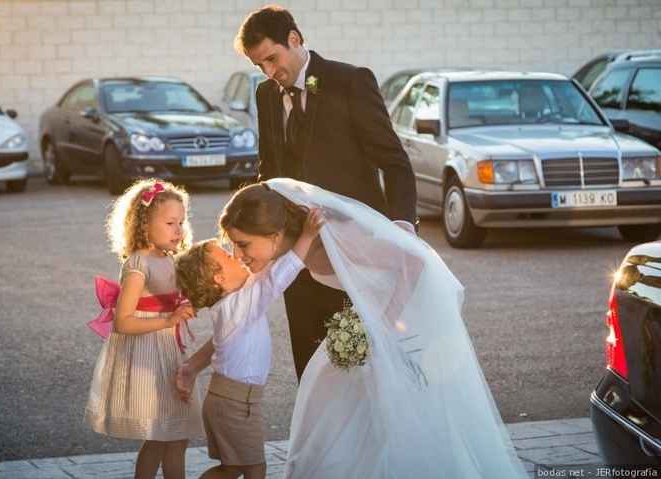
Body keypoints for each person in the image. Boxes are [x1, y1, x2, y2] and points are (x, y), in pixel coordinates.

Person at [189, 180, 528, 478]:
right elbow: (237, 317)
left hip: (404, 316)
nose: (239, 253)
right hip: (367, 324)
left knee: (392, 416)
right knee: (330, 398)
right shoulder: (283, 251)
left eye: (243, 244)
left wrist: (380, 325)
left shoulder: (336, 233)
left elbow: (414, 261)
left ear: (274, 234)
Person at [234, 5, 417, 378]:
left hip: (352, 252)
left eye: (272, 58)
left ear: (295, 40)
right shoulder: (266, 96)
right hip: (297, 255)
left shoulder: (349, 81)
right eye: (260, 66)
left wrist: (401, 224)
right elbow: (270, 171)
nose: (269, 72)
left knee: (359, 362)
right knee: (309, 358)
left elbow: (394, 161)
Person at [174, 209, 323, 479]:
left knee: (232, 469)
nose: (237, 255)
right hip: (234, 404)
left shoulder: (231, 302)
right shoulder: (241, 304)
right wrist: (307, 236)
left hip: (229, 400)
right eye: (229, 256)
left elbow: (265, 269)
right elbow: (279, 276)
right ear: (219, 279)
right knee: (255, 468)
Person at [85, 179, 204, 479]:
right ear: (143, 225)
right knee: (158, 436)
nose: (178, 230)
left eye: (181, 222)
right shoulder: (139, 263)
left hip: (171, 351)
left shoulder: (170, 258)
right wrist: (168, 319)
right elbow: (123, 321)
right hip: (149, 354)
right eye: (169, 223)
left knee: (177, 437)